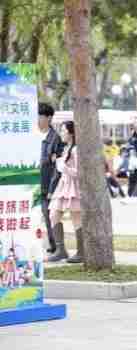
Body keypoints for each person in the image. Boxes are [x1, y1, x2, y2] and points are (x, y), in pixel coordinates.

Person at [47, 121, 83, 263]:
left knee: (76, 218)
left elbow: (80, 172)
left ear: (71, 132)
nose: (61, 133)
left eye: (63, 130)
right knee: (53, 214)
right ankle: (61, 250)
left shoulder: (76, 150)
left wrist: (64, 168)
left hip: (74, 186)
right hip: (63, 185)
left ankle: (81, 252)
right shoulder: (67, 148)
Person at [38, 103, 64, 254]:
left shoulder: (55, 138)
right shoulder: (31, 133)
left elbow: (58, 165)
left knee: (48, 214)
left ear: (49, 118)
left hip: (46, 182)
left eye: (40, 116)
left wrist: (52, 188)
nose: (38, 119)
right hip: (31, 180)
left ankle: (54, 245)